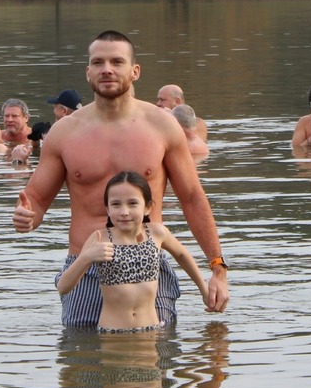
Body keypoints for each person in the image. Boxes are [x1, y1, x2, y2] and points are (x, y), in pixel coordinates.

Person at [13, 29, 229, 327]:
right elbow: (35, 200)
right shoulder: (65, 132)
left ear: (135, 70)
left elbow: (192, 196)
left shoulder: (162, 126)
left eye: (117, 61)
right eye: (98, 62)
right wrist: (27, 217)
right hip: (86, 266)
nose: (107, 69)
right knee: (83, 365)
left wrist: (217, 268)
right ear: (88, 71)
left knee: (156, 363)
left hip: (148, 263)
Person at [57, 171, 209, 333]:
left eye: (132, 204)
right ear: (107, 209)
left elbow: (182, 255)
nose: (124, 212)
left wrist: (204, 290)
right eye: (116, 204)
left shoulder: (157, 233)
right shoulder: (99, 238)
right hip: (112, 332)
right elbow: (63, 287)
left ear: (148, 207)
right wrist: (86, 257)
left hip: (150, 330)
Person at [0, 98, 34, 162]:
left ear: (26, 118)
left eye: (14, 116)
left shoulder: (35, 138)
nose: (10, 120)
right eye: (6, 116)